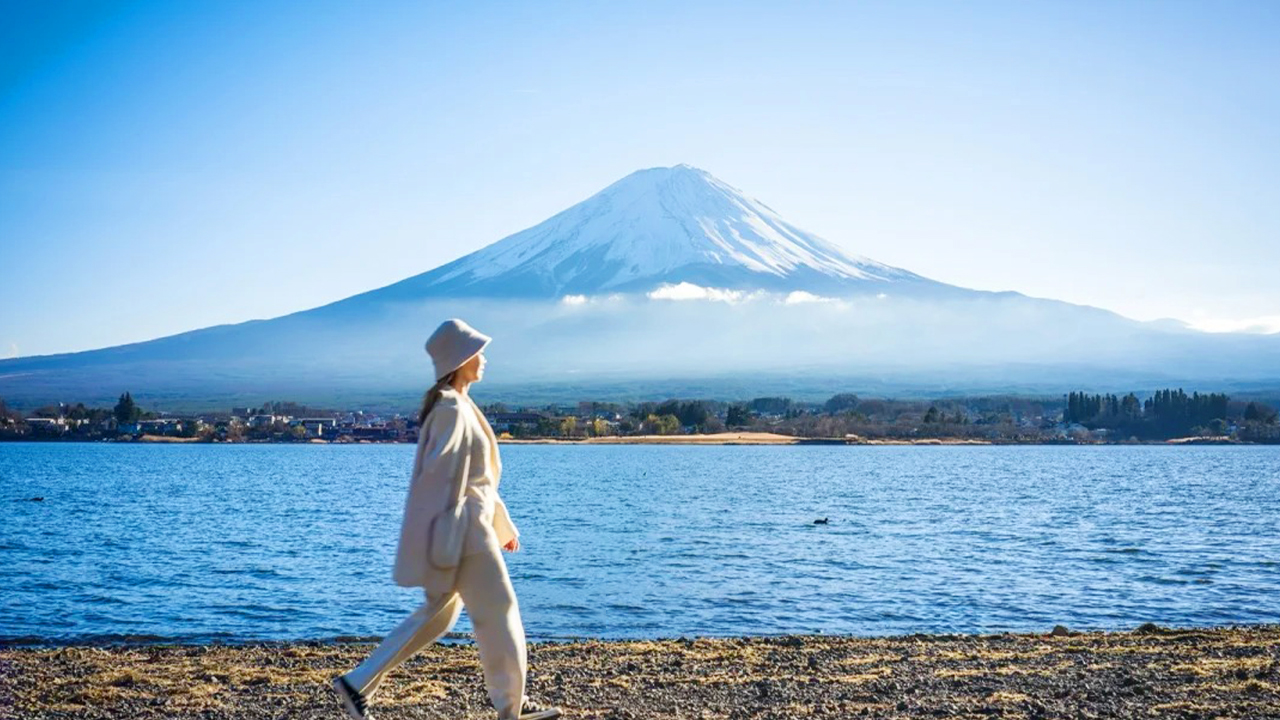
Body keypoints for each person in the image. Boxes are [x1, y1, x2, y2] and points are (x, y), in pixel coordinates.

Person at [332, 319, 562, 720]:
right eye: (478, 352)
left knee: (438, 616)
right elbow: (437, 479)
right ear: (460, 359)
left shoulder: (460, 405)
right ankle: (513, 707)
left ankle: (357, 682)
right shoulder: (451, 410)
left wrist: (501, 523)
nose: (485, 359)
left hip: (465, 528)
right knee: (500, 611)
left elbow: (477, 479)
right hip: (464, 533)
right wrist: (444, 540)